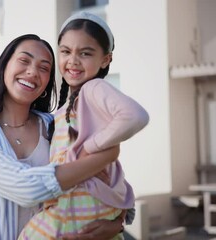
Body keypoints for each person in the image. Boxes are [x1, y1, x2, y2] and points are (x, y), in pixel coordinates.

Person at [0, 33, 125, 240]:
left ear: (47, 83)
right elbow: (25, 188)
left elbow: (112, 182)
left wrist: (117, 223)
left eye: (44, 68)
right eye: (24, 60)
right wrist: (101, 158)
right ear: (4, 67)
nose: (33, 72)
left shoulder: (59, 124)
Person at [19, 12, 149, 239]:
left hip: (81, 209)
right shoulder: (62, 111)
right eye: (66, 51)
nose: (73, 60)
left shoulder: (93, 89)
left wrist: (89, 148)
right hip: (82, 209)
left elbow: (136, 115)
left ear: (105, 59)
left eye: (85, 53)